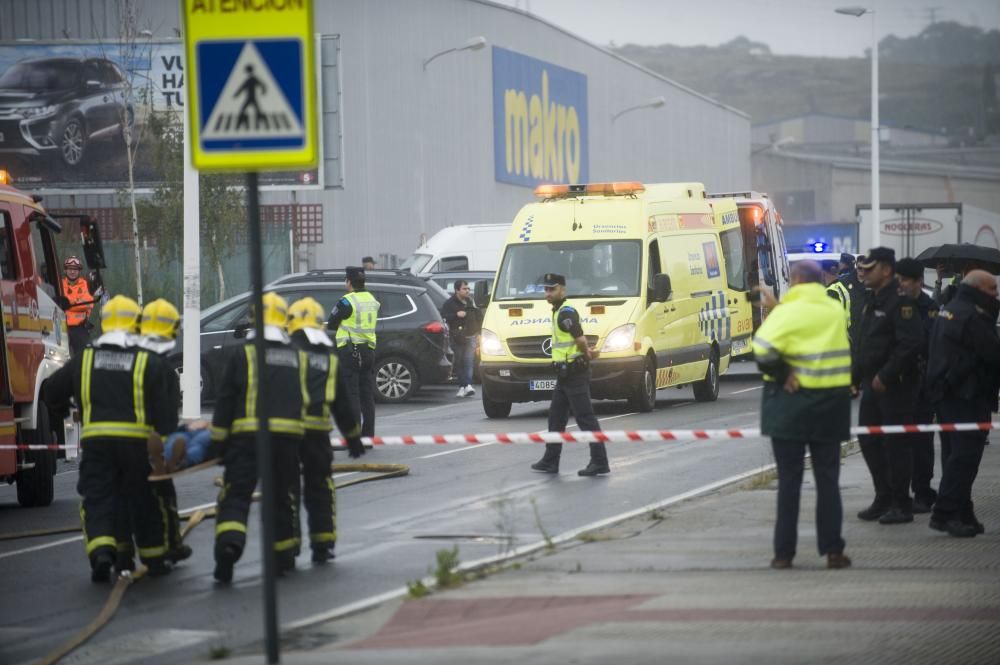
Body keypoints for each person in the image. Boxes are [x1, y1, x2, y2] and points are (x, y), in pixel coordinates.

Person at [42, 295, 175, 582]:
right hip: (136, 447)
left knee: (99, 498)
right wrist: (163, 443)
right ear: (136, 324)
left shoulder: (84, 358)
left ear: (104, 323)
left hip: (97, 444)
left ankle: (103, 552)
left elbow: (50, 391)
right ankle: (155, 559)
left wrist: (63, 409)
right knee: (143, 500)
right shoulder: (146, 361)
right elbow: (163, 413)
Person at [752, 261, 852, 570]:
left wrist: (784, 373)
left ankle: (784, 554)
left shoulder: (786, 313)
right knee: (828, 481)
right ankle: (833, 550)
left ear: (794, 280)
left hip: (789, 407)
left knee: (790, 482)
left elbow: (762, 347)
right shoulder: (834, 310)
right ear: (820, 279)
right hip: (830, 407)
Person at [210, 292, 306, 583]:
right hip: (287, 441)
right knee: (281, 499)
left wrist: (219, 441)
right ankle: (284, 557)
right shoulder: (296, 355)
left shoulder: (244, 354)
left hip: (248, 439)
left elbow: (226, 399)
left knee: (236, 496)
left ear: (254, 319)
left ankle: (229, 546)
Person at [287, 297, 366, 564]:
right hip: (317, 435)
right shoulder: (327, 357)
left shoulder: (283, 353)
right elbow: (341, 403)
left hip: (286, 434)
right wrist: (353, 437)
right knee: (320, 488)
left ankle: (287, 546)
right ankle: (323, 545)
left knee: (286, 489)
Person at [853, 247, 925, 525]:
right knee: (869, 440)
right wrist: (854, 378)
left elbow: (911, 344)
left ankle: (901, 503)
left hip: (896, 385)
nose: (865, 274)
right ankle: (883, 497)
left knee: (896, 444)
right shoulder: (873, 300)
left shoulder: (900, 302)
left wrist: (886, 374)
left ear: (886, 270)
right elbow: (867, 345)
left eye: (870, 269)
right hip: (873, 384)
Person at [927, 270, 1000, 538]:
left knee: (954, 456)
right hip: (967, 395)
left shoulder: (951, 309)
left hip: (948, 394)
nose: (996, 294)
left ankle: (963, 511)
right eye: (992, 289)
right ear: (978, 288)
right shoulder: (973, 316)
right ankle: (944, 512)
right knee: (964, 458)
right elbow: (991, 353)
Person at [530, 273, 608, 476]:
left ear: (562, 289)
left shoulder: (565, 313)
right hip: (565, 375)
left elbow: (580, 339)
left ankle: (600, 461)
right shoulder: (558, 312)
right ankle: (550, 460)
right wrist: (588, 353)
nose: (547, 293)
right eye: (546, 289)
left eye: (552, 289)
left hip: (574, 372)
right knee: (556, 418)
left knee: (585, 418)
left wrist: (586, 354)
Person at [895, 258, 940, 513]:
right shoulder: (894, 304)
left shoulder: (929, 307)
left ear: (918, 282)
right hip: (898, 384)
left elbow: (928, 342)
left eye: (905, 280)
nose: (900, 284)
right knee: (899, 442)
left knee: (921, 442)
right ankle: (898, 494)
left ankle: (923, 491)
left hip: (921, 383)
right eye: (897, 279)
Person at [328, 267, 380, 438]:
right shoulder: (371, 299)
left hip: (351, 352)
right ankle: (368, 436)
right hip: (368, 351)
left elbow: (332, 323)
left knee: (352, 394)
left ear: (349, 282)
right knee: (367, 395)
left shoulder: (347, 301)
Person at [440, 279, 481, 397]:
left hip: (471, 335)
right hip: (457, 337)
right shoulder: (450, 303)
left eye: (468, 288)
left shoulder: (471, 301)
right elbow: (443, 317)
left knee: (468, 361)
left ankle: (467, 385)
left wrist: (479, 331)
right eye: (464, 288)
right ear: (457, 290)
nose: (467, 291)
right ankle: (463, 386)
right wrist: (455, 315)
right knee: (459, 362)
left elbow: (478, 316)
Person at [827, 252, 864, 347]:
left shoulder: (874, 284)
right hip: (850, 334)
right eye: (860, 268)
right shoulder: (843, 283)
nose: (863, 272)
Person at [62, 255, 95, 357]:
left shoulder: (86, 285)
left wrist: (68, 303)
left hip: (80, 329)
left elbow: (88, 303)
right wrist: (77, 301)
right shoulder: (59, 284)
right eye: (70, 269)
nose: (72, 272)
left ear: (79, 271)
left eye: (75, 269)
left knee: (86, 357)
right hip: (62, 328)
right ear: (65, 270)